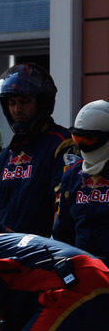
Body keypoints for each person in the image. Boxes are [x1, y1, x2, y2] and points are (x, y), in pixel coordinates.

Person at [0, 63, 78, 236]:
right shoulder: (6, 155)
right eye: (12, 103)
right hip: (5, 254)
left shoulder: (62, 144)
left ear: (42, 103)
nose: (17, 110)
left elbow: (64, 208)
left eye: (24, 102)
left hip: (41, 254)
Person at [53, 99, 109, 261]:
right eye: (78, 140)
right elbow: (62, 234)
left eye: (88, 140)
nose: (83, 147)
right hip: (82, 273)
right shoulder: (72, 175)